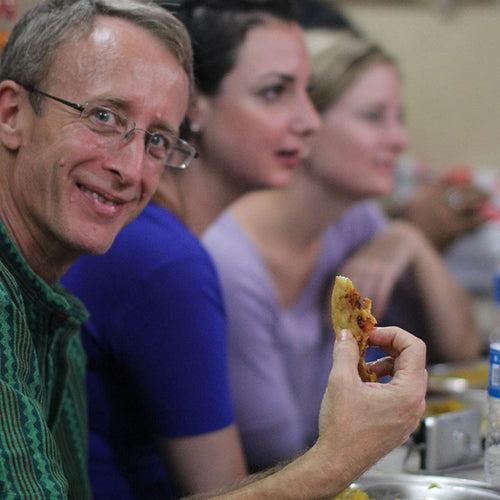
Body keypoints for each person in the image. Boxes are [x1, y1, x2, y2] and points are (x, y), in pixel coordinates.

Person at [62, 1, 427, 498]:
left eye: (308, 92)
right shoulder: (167, 259)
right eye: (275, 92)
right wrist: (351, 447)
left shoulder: (163, 237)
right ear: (195, 108)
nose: (309, 121)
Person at [203, 29, 480, 471]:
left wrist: (409, 239)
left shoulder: (355, 218)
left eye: (398, 117)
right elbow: (278, 453)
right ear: (307, 123)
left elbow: (465, 350)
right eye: (374, 116)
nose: (399, 140)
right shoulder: (231, 262)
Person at [0, 0, 193, 496]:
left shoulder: (54, 308)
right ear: (11, 114)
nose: (131, 169)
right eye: (104, 116)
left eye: (156, 141)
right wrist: (331, 461)